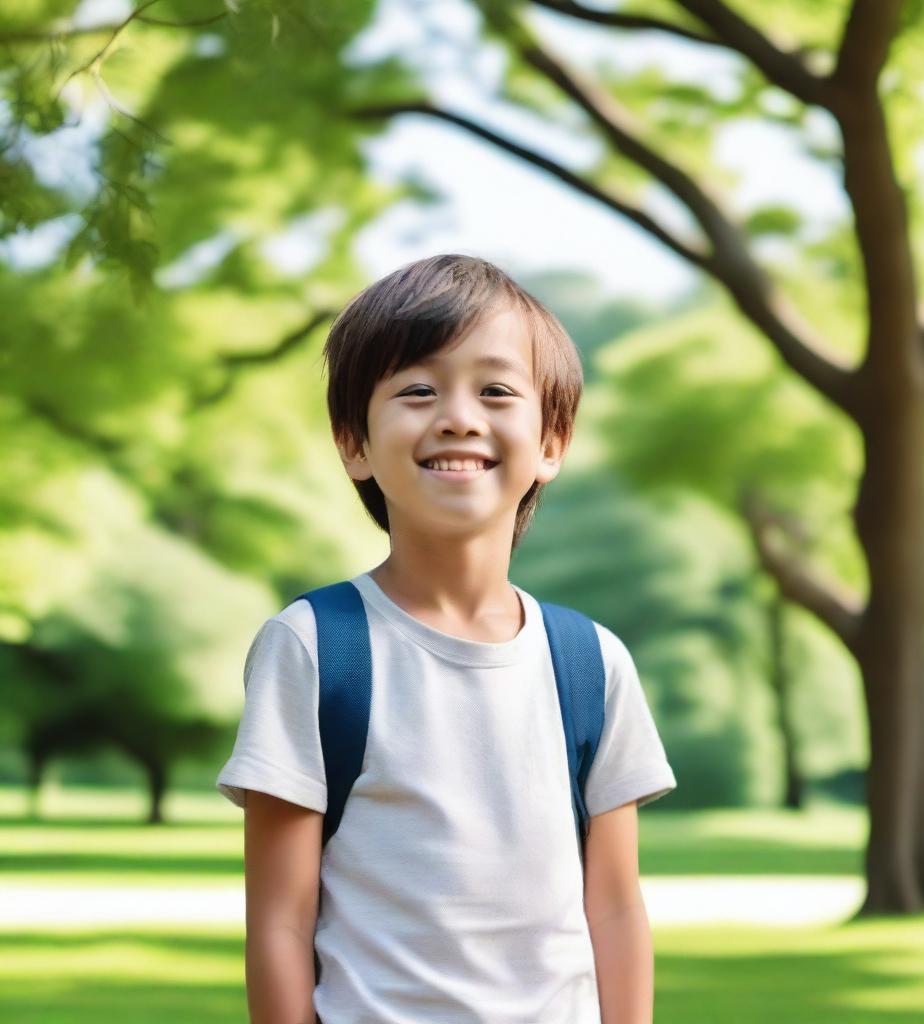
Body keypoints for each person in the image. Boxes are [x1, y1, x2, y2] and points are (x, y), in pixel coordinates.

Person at [216, 253, 677, 1024]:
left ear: (552, 442)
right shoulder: (315, 648)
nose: (458, 416)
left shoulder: (591, 663)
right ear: (353, 442)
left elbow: (617, 912)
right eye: (417, 390)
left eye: (496, 390)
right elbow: (279, 921)